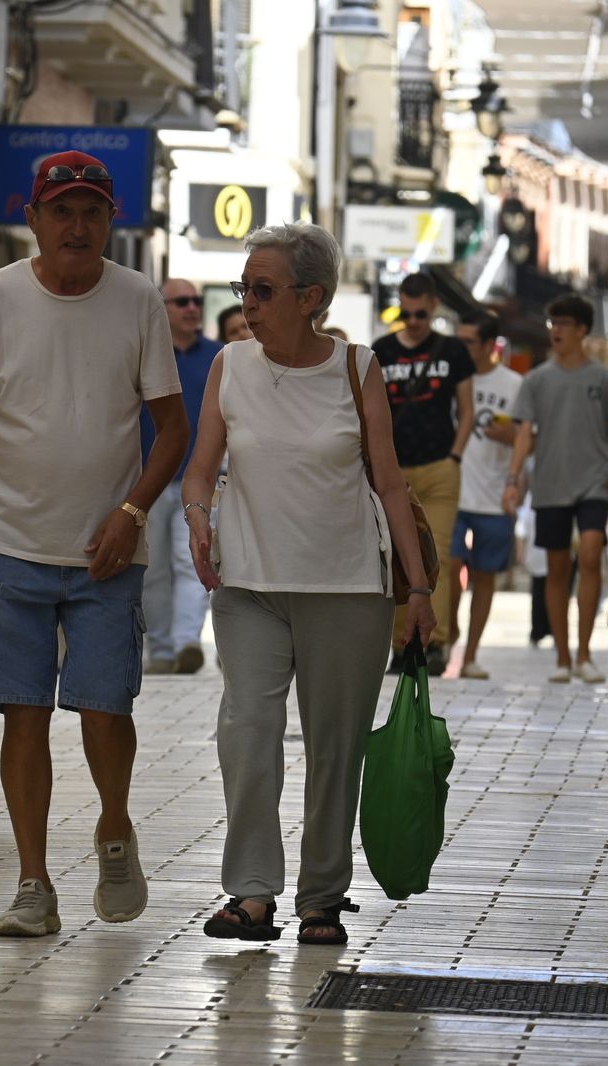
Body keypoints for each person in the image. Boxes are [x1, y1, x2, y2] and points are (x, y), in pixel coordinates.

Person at [0, 151, 189, 937]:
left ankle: (113, 825)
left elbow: (172, 429)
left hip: (108, 550)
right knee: (23, 713)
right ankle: (33, 883)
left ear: (113, 222)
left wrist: (133, 513)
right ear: (33, 219)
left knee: (105, 711)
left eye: (92, 212)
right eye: (61, 211)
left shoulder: (137, 300)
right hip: (8, 543)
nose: (77, 226)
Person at [180, 223, 436, 947]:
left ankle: (321, 896)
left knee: (336, 747)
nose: (248, 306)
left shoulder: (357, 368)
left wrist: (416, 590)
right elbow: (202, 465)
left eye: (263, 291)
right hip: (248, 582)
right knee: (247, 732)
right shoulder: (230, 365)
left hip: (346, 588)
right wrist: (198, 517)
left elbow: (389, 484)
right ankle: (252, 894)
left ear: (311, 297)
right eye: (244, 289)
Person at [500, 295, 608, 685]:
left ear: (581, 330)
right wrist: (512, 481)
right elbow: (524, 433)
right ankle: (563, 657)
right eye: (552, 323)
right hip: (551, 483)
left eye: (563, 324)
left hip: (595, 480)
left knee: (591, 554)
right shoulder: (537, 380)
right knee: (558, 568)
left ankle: (585, 653)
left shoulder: (606, 380)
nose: (555, 330)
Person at [371, 272, 475, 677]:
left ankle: (436, 642)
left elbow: (465, 409)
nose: (412, 321)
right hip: (394, 469)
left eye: (419, 313)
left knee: (441, 555)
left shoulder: (453, 350)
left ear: (433, 307)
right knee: (397, 555)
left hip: (439, 466)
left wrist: (455, 456)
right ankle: (402, 645)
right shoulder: (382, 350)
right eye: (405, 313)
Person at [139, 279, 222, 675]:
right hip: (150, 480)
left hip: (199, 479)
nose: (192, 307)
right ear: (163, 308)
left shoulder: (217, 356)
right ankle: (160, 649)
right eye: (182, 301)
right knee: (153, 568)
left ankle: (188, 642)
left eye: (197, 301)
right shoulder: (147, 354)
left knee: (193, 561)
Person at [444, 309, 521, 680]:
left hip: (494, 494)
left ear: (490, 345)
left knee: (486, 576)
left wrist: (511, 439)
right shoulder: (452, 377)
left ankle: (471, 653)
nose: (461, 347)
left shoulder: (514, 385)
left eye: (468, 341)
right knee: (449, 568)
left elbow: (527, 438)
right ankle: (451, 630)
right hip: (453, 491)